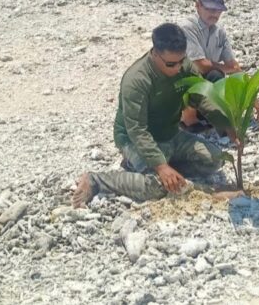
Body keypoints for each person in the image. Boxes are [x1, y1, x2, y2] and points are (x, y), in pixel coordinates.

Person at [72, 23, 238, 208]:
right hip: (135, 139)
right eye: (170, 64)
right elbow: (137, 130)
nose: (177, 68)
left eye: (181, 61)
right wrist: (161, 167)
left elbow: (201, 96)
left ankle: (157, 170)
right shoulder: (137, 80)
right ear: (155, 53)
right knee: (156, 188)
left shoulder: (184, 66)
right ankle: (98, 180)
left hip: (170, 133)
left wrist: (227, 125)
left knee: (215, 160)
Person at [179, 0, 259, 130]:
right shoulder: (187, 27)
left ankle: (207, 114)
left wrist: (250, 93)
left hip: (205, 84)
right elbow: (200, 64)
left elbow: (234, 66)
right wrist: (228, 68)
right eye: (210, 9)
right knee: (193, 74)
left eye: (217, 10)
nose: (214, 14)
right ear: (198, 6)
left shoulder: (219, 32)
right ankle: (188, 118)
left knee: (216, 75)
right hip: (183, 83)